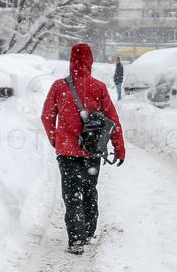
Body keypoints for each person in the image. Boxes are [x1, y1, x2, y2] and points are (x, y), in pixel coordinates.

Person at [41, 43, 126, 255]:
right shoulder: (98, 87)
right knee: (89, 190)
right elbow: (112, 120)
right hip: (92, 151)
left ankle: (75, 240)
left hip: (67, 152)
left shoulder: (59, 87)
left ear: (71, 61)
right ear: (90, 61)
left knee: (71, 194)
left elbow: (47, 116)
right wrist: (119, 147)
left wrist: (56, 140)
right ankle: (88, 230)